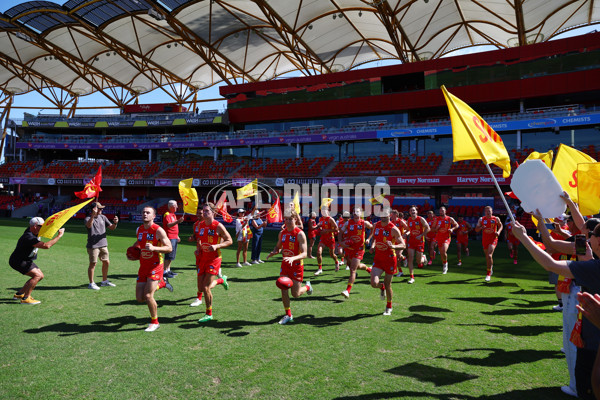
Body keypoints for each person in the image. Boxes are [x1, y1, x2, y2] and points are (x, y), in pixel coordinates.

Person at [512, 219, 600, 400]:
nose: (589, 239)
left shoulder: (595, 268)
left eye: (592, 236)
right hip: (591, 339)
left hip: (593, 345)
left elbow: (550, 264)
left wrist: (524, 238)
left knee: (590, 387)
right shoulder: (592, 263)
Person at [266, 209, 312, 325]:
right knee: (283, 288)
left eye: (290, 219)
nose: (287, 221)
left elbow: (305, 253)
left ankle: (307, 287)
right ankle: (288, 315)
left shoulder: (300, 234)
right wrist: (274, 251)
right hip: (285, 265)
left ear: (295, 219)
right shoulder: (282, 233)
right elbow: (278, 247)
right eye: (285, 219)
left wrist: (293, 258)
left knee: (295, 294)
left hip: (296, 266)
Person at [131, 207, 172, 332]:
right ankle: (163, 284)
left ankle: (155, 322)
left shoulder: (158, 230)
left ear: (154, 216)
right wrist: (133, 251)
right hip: (143, 266)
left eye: (148, 212)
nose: (145, 214)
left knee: (148, 295)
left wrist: (155, 248)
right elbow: (139, 243)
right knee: (140, 298)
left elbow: (169, 248)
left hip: (156, 265)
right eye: (143, 212)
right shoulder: (139, 229)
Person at [10, 217, 65, 305]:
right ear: (35, 226)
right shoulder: (28, 236)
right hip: (18, 261)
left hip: (25, 259)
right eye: (41, 226)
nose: (43, 228)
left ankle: (19, 294)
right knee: (37, 276)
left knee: (40, 276)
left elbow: (45, 230)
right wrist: (59, 235)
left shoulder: (33, 230)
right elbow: (46, 246)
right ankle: (26, 298)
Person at [194, 203, 233, 323]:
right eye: (204, 211)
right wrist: (199, 249)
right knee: (200, 287)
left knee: (206, 287)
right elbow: (200, 239)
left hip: (214, 259)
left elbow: (230, 240)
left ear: (213, 213)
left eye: (207, 211)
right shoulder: (200, 225)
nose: (204, 213)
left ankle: (208, 313)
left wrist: (217, 245)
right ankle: (221, 280)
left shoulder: (218, 226)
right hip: (203, 258)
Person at [369, 209, 405, 315]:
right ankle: (381, 287)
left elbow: (403, 244)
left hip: (390, 260)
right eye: (382, 215)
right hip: (378, 259)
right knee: (374, 283)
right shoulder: (376, 225)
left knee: (388, 284)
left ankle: (389, 306)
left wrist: (393, 246)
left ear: (389, 215)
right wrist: (372, 246)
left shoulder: (393, 229)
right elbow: (376, 238)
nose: (383, 217)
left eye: (385, 215)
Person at [340, 207, 373, 298]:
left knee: (352, 270)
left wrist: (368, 239)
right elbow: (340, 232)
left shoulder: (364, 223)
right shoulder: (348, 222)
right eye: (354, 211)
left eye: (357, 212)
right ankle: (369, 269)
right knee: (356, 266)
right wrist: (341, 242)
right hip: (350, 248)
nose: (355, 213)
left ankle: (347, 291)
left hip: (359, 249)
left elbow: (373, 229)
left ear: (361, 213)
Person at [84, 201, 118, 290]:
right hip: (93, 245)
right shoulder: (88, 218)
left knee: (106, 262)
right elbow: (88, 226)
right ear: (94, 209)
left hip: (103, 244)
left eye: (102, 208)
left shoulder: (103, 217)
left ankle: (104, 281)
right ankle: (91, 283)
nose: (102, 210)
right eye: (100, 208)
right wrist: (93, 215)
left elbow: (112, 228)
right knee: (93, 264)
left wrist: (115, 223)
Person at [474, 206, 502, 282]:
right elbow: (476, 230)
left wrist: (498, 232)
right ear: (484, 212)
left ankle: (488, 274)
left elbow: (501, 226)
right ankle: (491, 266)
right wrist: (481, 228)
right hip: (485, 240)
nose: (488, 212)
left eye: (489, 211)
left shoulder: (496, 218)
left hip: (493, 239)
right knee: (487, 257)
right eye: (486, 211)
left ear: (492, 211)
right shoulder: (481, 219)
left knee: (489, 255)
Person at [405, 205, 430, 284]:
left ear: (416, 211)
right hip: (411, 241)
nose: (412, 212)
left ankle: (423, 257)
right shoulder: (408, 220)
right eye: (411, 211)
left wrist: (421, 235)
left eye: (414, 210)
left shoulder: (421, 219)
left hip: (420, 242)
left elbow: (428, 228)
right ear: (409, 212)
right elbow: (409, 230)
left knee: (418, 262)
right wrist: (405, 234)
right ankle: (411, 277)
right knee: (410, 259)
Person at [431, 206, 458, 274]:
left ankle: (445, 265)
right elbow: (432, 229)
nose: (441, 212)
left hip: (446, 238)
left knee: (443, 251)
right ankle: (444, 262)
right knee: (442, 253)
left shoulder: (449, 218)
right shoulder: (436, 219)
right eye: (440, 211)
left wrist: (452, 229)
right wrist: (436, 228)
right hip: (439, 238)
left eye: (442, 211)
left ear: (445, 211)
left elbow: (457, 225)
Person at [163, 200, 184, 278]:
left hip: (174, 237)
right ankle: (165, 271)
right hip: (169, 237)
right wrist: (178, 221)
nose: (177, 207)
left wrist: (177, 235)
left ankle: (168, 270)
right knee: (168, 255)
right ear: (172, 207)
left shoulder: (173, 215)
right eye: (176, 205)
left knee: (171, 255)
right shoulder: (167, 214)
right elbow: (168, 225)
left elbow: (174, 227)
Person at [315, 208, 339, 275]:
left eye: (324, 211)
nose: (323, 212)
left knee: (332, 255)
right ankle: (320, 269)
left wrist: (327, 230)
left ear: (328, 212)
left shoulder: (330, 219)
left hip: (330, 239)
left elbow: (337, 229)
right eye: (322, 211)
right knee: (318, 252)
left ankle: (336, 262)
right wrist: (318, 228)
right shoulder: (321, 219)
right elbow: (321, 226)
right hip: (323, 238)